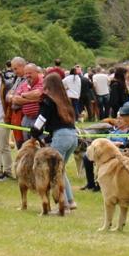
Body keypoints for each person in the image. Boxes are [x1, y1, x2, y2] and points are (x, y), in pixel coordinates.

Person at [27, 72, 78, 211]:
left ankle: (64, 204)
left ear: (49, 87)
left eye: (45, 86)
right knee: (61, 170)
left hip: (60, 137)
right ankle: (70, 200)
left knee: (55, 172)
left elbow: (40, 121)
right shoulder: (65, 101)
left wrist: (32, 137)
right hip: (73, 137)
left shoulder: (48, 101)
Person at [8, 61, 44, 148]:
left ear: (36, 72)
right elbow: (14, 99)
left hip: (39, 119)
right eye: (26, 73)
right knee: (28, 146)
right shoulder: (24, 84)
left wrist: (23, 95)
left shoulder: (43, 82)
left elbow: (38, 94)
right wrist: (32, 100)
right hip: (26, 119)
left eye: (30, 73)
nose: (27, 75)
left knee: (43, 145)